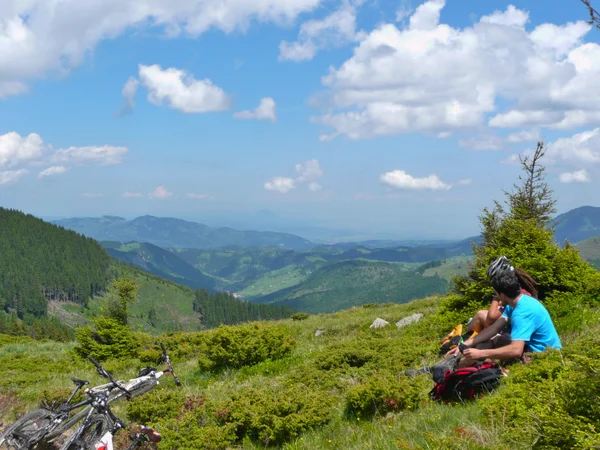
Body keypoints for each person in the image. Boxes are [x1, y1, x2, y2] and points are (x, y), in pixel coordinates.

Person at [447, 256, 562, 368]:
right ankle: (451, 368)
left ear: (502, 295)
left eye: (496, 294)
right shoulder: (516, 303)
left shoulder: (521, 313)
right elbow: (494, 328)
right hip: (535, 350)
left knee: (485, 349)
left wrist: (481, 353)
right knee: (488, 342)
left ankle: (452, 370)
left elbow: (516, 350)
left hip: (542, 357)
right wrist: (465, 344)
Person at [466, 259, 539, 334]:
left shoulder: (514, 296)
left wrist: (496, 295)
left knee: (480, 315)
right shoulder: (519, 290)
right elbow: (499, 308)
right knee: (483, 315)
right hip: (523, 330)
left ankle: (467, 340)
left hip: (519, 333)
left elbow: (490, 319)